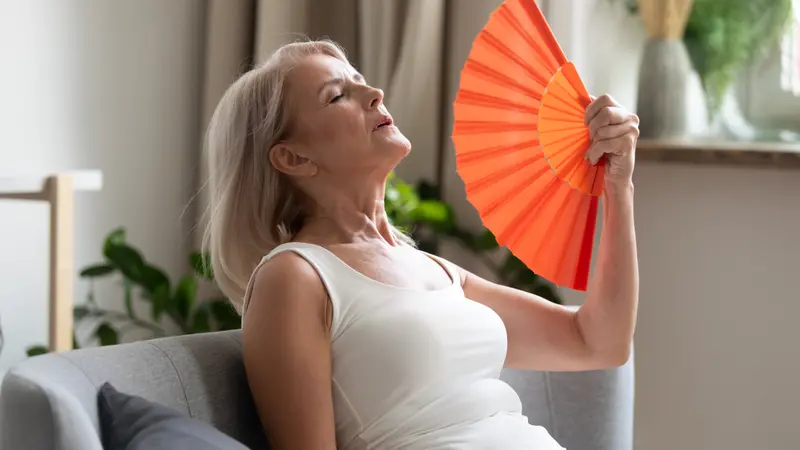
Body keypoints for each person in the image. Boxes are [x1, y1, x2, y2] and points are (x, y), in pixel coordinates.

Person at [203, 39, 639, 450]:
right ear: (294, 157)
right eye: (337, 96)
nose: (374, 93)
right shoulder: (296, 276)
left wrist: (619, 185)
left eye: (361, 80)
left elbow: (597, 342)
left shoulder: (433, 270)